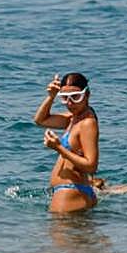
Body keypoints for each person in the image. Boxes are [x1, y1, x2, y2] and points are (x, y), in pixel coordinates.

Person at [32, 72, 100, 213]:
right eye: (64, 98)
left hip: (70, 194)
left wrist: (58, 148)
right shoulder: (74, 118)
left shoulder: (87, 123)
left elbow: (91, 166)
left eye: (75, 97)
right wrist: (51, 96)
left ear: (87, 95)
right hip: (70, 193)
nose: (69, 103)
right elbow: (40, 120)